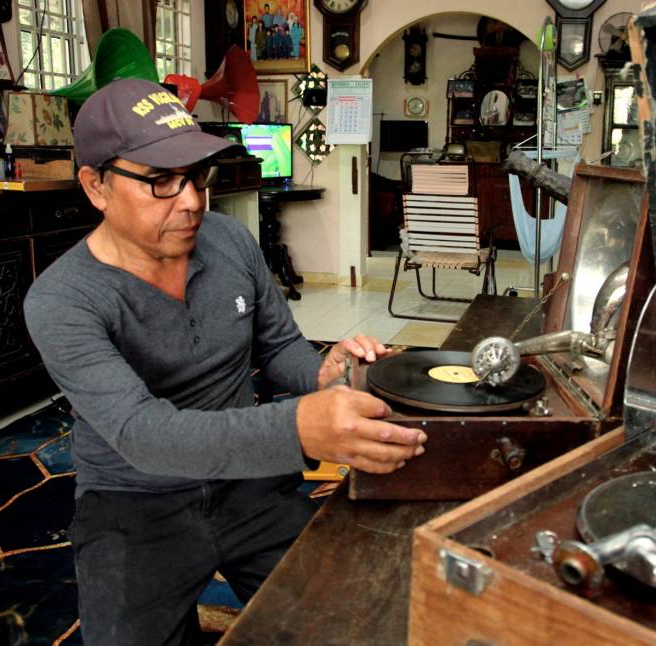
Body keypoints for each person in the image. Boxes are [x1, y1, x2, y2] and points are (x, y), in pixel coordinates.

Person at [23, 78, 427, 645]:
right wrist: (300, 427)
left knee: (356, 619)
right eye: (160, 181)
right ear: (96, 186)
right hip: (135, 503)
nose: (190, 200)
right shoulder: (62, 301)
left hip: (249, 485)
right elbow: (143, 433)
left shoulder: (230, 242)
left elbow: (280, 348)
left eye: (194, 175)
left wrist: (323, 370)